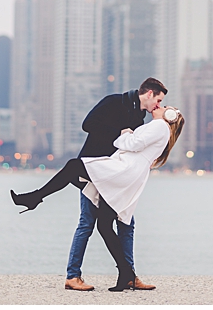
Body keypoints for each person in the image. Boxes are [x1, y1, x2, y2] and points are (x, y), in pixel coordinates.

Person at [10, 100, 185, 293]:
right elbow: (138, 146)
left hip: (121, 171)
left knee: (73, 167)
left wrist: (125, 133)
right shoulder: (158, 128)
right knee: (103, 224)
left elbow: (132, 144)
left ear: (170, 117)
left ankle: (35, 198)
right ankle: (126, 273)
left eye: (165, 107)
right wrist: (129, 136)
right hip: (124, 172)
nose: (161, 106)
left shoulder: (160, 126)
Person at [59, 78, 168, 292]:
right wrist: (119, 132)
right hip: (94, 169)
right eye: (159, 99)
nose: (158, 105)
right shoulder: (113, 102)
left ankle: (129, 276)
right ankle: (73, 276)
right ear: (149, 94)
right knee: (87, 222)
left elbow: (132, 146)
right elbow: (87, 125)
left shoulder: (141, 118)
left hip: (117, 175)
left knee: (127, 224)